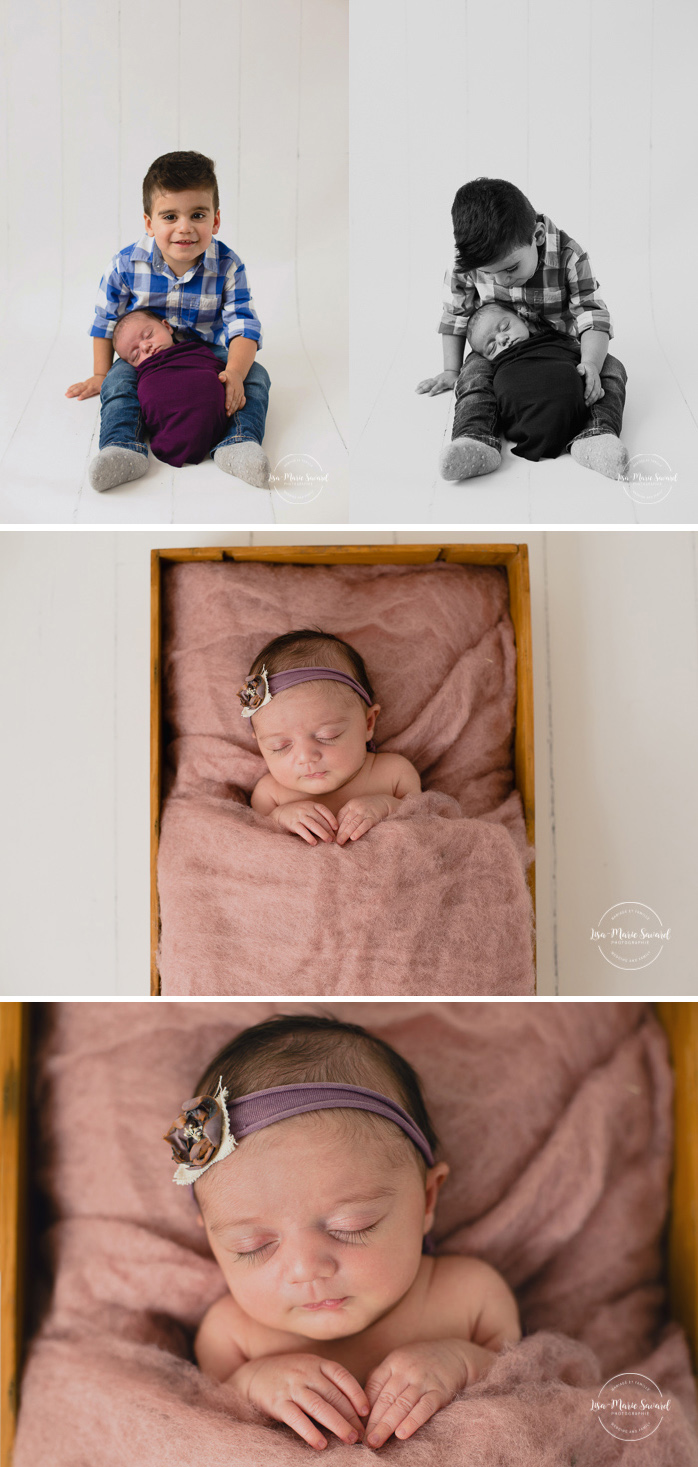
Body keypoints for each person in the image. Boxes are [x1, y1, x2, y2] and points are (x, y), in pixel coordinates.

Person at [164, 1014, 521, 1451]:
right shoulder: (232, 1336)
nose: (306, 1269)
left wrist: (460, 1362)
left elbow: (525, 1382)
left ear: (427, 1199)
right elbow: (204, 1424)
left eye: (351, 1225)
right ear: (212, 1241)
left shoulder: (470, 1296)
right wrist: (254, 1383)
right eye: (252, 1246)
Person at [65, 150, 270, 491]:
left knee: (256, 375)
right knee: (119, 385)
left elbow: (243, 326)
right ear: (149, 223)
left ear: (216, 220)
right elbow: (105, 320)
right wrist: (101, 373)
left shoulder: (228, 266)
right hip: (147, 357)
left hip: (206, 350)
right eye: (170, 216)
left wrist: (234, 371)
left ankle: (238, 441)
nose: (185, 228)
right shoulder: (126, 264)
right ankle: (123, 446)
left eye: (198, 215)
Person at [416, 176, 628, 482]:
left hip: (558, 346)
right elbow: (456, 313)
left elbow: (591, 315)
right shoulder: (467, 265)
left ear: (538, 236)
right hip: (497, 349)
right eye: (491, 274)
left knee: (612, 368)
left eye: (511, 268)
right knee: (473, 374)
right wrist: (451, 370)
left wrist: (590, 364)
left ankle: (596, 434)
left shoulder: (570, 256)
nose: (501, 281)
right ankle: (476, 439)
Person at [238, 629, 421, 846]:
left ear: (368, 723)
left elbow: (425, 818)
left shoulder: (394, 773)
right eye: (280, 746)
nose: (306, 757)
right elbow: (254, 841)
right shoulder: (270, 795)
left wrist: (386, 806)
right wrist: (280, 818)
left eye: (327, 735)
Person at [465, 302, 589, 461]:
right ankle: (475, 437)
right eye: (491, 347)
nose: (502, 339)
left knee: (605, 372)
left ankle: (598, 431)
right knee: (476, 391)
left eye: (505, 327)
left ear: (524, 320)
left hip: (578, 409)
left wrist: (589, 363)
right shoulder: (492, 366)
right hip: (523, 419)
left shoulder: (556, 340)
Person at [110, 309, 229, 468]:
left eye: (148, 335)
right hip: (169, 433)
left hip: (218, 419)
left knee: (245, 380)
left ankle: (238, 439)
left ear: (167, 326)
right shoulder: (143, 373)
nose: (145, 346)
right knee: (121, 391)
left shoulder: (195, 351)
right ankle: (120, 445)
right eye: (135, 353)